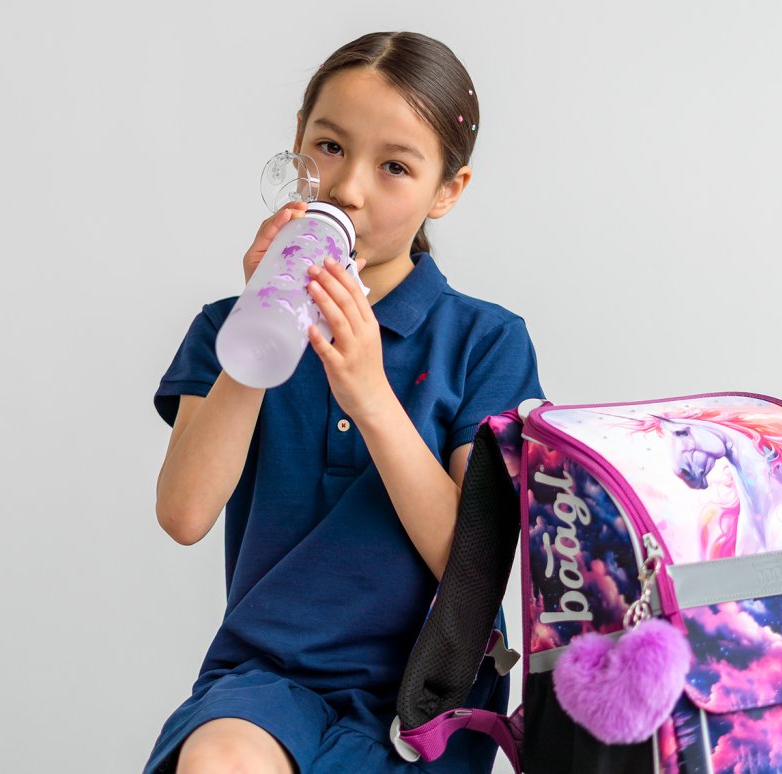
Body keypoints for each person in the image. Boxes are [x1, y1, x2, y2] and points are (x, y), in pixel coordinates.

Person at [144, 31, 544, 774]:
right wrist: (260, 329)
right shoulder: (226, 331)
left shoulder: (486, 342)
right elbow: (184, 514)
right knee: (218, 758)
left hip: (427, 703)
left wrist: (371, 396)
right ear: (298, 141)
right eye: (329, 147)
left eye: (395, 166)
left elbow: (478, 564)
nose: (349, 189)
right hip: (265, 680)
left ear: (447, 190)